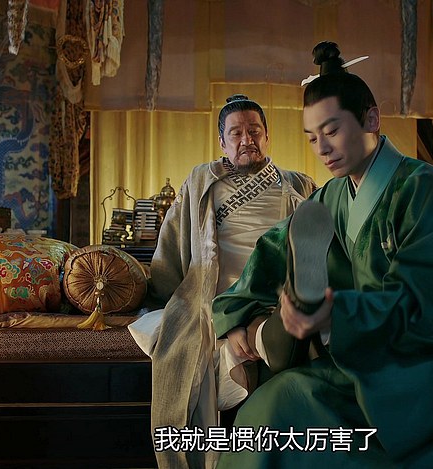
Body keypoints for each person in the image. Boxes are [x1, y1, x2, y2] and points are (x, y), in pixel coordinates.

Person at [211, 42, 433, 468]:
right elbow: (276, 249)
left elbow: (420, 297)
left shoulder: (430, 193)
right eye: (312, 138)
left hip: (426, 366)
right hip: (363, 356)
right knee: (269, 409)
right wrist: (234, 315)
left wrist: (335, 314)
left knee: (292, 416)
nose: (322, 148)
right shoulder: (332, 197)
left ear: (371, 119)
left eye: (332, 131)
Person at [128, 94, 317, 469]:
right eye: (236, 133)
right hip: (213, 296)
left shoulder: (298, 184)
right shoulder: (202, 182)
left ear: (267, 136)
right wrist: (161, 299)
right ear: (222, 142)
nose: (247, 140)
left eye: (254, 131)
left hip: (276, 298)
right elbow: (171, 247)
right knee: (185, 356)